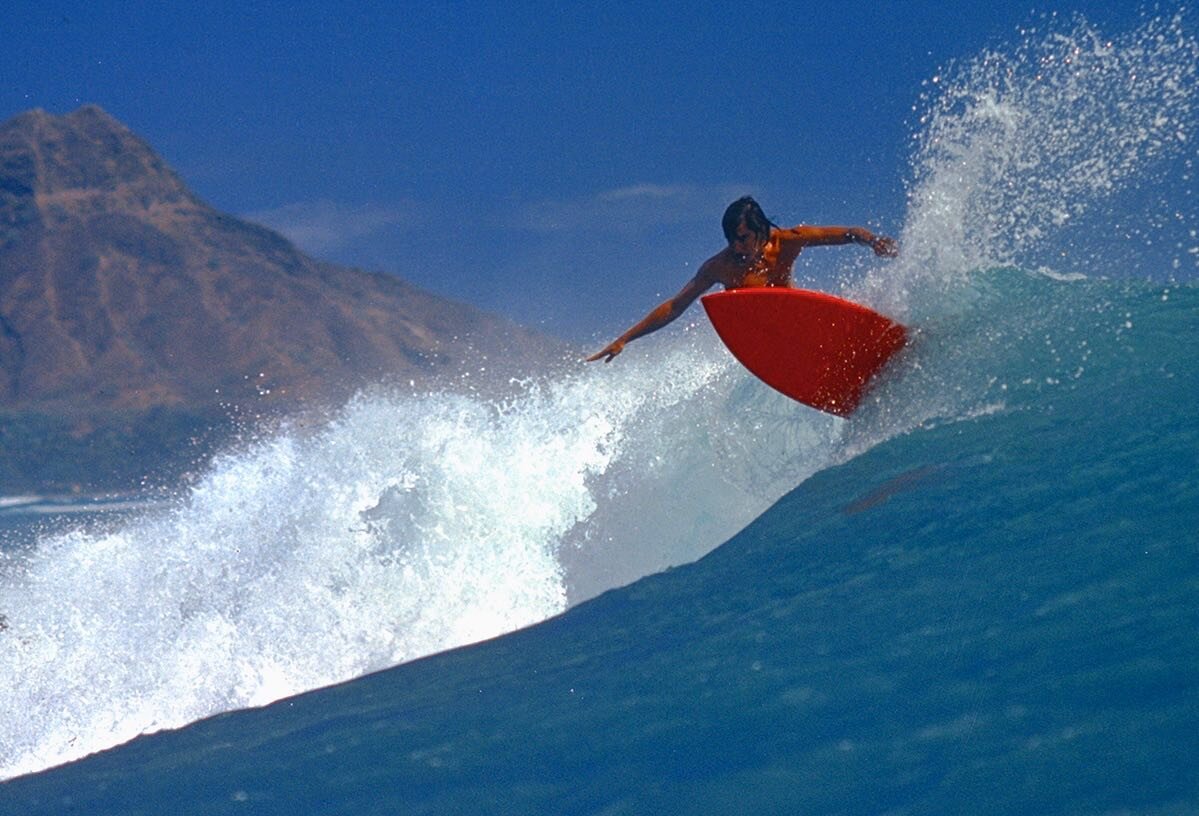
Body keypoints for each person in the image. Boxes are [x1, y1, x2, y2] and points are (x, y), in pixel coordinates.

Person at [586, 196, 898, 363]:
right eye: (731, 239)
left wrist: (873, 242)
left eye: (743, 238)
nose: (737, 246)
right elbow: (675, 306)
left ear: (761, 230)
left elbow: (846, 233)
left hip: (795, 326)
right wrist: (625, 338)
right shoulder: (719, 267)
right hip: (768, 341)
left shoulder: (789, 241)